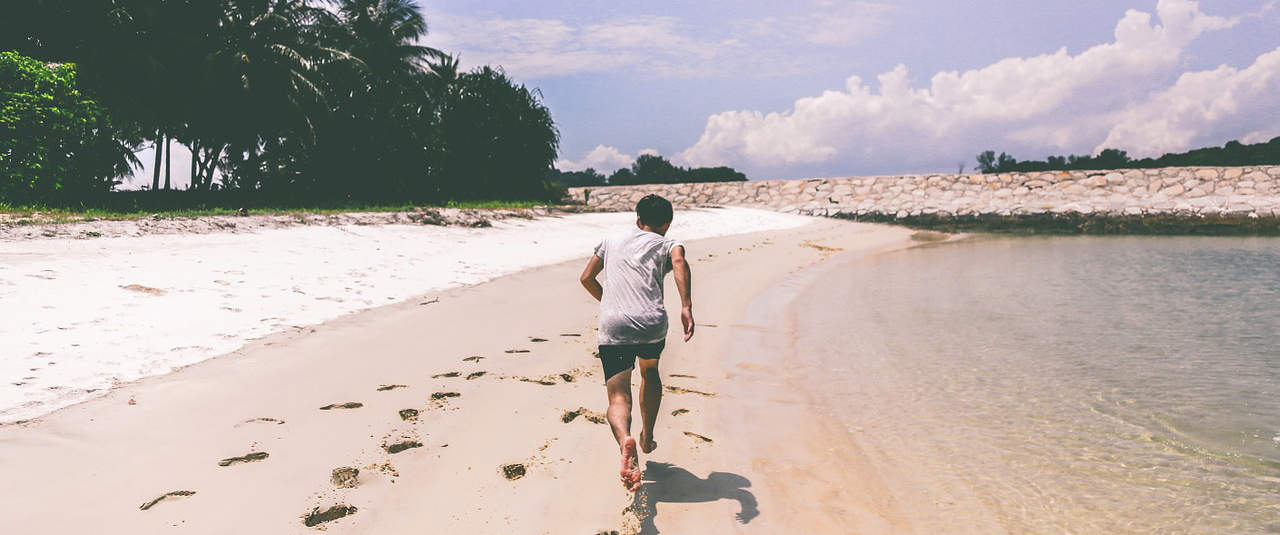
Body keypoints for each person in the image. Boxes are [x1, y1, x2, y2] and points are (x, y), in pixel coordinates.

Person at [579, 194, 694, 492]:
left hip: (615, 326)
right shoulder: (669, 243)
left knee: (618, 398)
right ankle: (647, 438)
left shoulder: (612, 238)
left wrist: (611, 304)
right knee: (650, 372)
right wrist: (686, 305)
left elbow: (586, 277)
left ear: (637, 220)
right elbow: (679, 261)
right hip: (650, 324)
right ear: (667, 223)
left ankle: (624, 441)